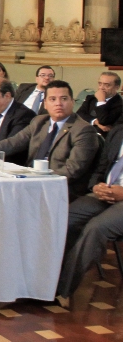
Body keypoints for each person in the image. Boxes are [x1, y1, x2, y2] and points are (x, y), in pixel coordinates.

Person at [0, 80, 100, 200]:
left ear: (72, 102)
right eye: (52, 99)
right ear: (45, 104)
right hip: (31, 182)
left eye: (64, 99)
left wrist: (38, 179)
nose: (58, 104)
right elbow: (13, 142)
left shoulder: (83, 130)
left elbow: (73, 170)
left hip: (60, 188)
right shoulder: (39, 121)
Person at [55, 122, 123, 308]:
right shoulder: (118, 130)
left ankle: (62, 290)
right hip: (104, 193)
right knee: (64, 219)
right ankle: (41, 283)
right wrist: (96, 186)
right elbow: (101, 168)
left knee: (96, 228)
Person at [76, 72, 123, 136]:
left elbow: (104, 121)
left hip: (105, 140)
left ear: (116, 87)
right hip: (85, 135)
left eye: (107, 85)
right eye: (100, 84)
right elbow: (79, 114)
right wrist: (95, 121)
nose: (101, 88)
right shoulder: (91, 99)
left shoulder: (119, 104)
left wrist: (101, 101)